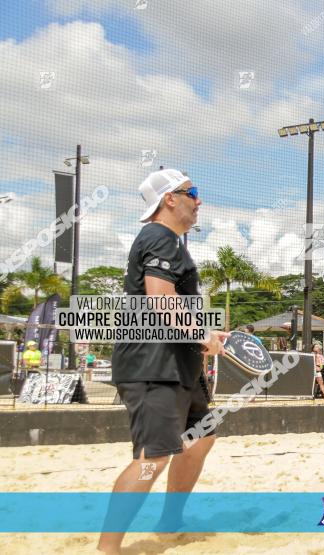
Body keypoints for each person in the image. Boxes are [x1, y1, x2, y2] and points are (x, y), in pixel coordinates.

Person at [99, 169, 228, 555]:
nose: (199, 200)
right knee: (151, 458)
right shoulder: (159, 236)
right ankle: (107, 549)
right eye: (193, 192)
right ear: (170, 198)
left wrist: (203, 336)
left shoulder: (171, 241)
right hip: (152, 367)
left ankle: (170, 519)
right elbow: (160, 300)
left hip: (176, 366)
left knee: (201, 437)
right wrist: (203, 334)